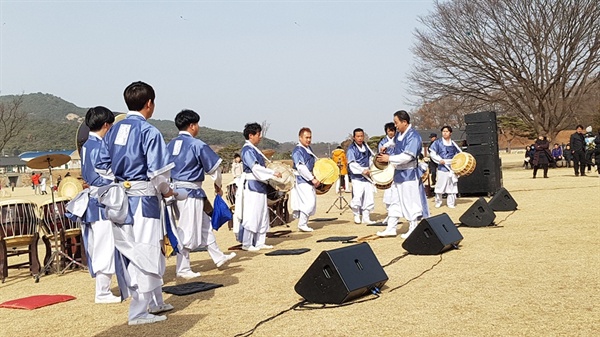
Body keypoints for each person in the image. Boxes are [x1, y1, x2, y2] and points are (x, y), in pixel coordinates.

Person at [95, 81, 176, 325]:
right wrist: (167, 190)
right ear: (149, 103)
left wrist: (119, 183)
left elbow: (102, 167)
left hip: (121, 200)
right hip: (144, 199)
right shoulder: (149, 131)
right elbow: (158, 173)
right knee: (147, 250)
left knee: (130, 250)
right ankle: (139, 311)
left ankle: (151, 302)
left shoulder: (113, 131)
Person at [167, 110, 236, 279]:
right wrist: (218, 185)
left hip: (173, 189)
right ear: (192, 126)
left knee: (205, 225)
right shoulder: (196, 144)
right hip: (191, 191)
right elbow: (215, 169)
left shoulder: (170, 144)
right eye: (197, 124)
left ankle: (218, 257)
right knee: (187, 229)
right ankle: (183, 268)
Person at [80, 106, 121, 304]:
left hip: (97, 200)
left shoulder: (88, 144)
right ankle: (103, 292)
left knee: (101, 245)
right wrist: (117, 184)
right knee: (105, 246)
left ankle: (104, 289)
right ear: (106, 125)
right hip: (102, 201)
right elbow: (94, 176)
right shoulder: (97, 145)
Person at [375, 110, 430, 238]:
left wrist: (388, 158)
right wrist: (386, 146)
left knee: (409, 202)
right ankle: (391, 227)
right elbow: (395, 142)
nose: (395, 126)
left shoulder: (413, 136)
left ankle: (413, 227)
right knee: (395, 201)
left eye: (396, 123)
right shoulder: (400, 134)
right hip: (398, 173)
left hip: (409, 175)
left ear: (404, 122)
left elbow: (407, 156)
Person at [236, 122, 282, 251]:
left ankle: (260, 241)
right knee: (252, 214)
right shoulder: (247, 150)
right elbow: (255, 168)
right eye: (258, 134)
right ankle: (247, 243)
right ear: (251, 135)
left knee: (262, 214)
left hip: (260, 185)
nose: (260, 136)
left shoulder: (253, 149)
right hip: (252, 185)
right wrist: (272, 173)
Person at [290, 127, 320, 232]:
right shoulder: (298, 150)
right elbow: (301, 167)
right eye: (306, 137)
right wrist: (312, 178)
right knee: (309, 202)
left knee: (311, 202)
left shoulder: (308, 149)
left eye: (310, 137)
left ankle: (304, 223)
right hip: (302, 179)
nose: (308, 140)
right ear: (300, 137)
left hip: (308, 178)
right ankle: (302, 224)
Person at [346, 128, 376, 225]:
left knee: (369, 196)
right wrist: (362, 170)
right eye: (358, 136)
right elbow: (352, 164)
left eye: (361, 136)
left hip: (367, 176)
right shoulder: (351, 149)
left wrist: (371, 168)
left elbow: (371, 158)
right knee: (357, 197)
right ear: (354, 137)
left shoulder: (366, 147)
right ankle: (356, 215)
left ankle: (366, 217)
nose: (360, 138)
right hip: (357, 177)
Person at [428, 126, 461, 208]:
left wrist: (456, 162)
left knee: (452, 186)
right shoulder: (437, 143)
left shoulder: (453, 144)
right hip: (442, 166)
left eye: (446, 131)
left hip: (452, 166)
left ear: (450, 133)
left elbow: (459, 153)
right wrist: (439, 160)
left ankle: (451, 203)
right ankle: (438, 201)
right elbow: (432, 153)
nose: (445, 133)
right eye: (443, 131)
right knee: (440, 185)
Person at [378, 122, 396, 223]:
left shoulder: (398, 140)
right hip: (387, 168)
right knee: (388, 191)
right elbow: (380, 155)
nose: (391, 133)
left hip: (398, 167)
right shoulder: (383, 142)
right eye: (389, 131)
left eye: (392, 131)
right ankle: (389, 213)